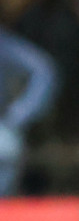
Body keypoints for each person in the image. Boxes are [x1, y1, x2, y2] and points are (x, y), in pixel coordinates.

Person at [0, 25, 56, 195]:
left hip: (4, 130)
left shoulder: (4, 45)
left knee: (7, 148)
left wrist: (19, 114)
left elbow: (44, 71)